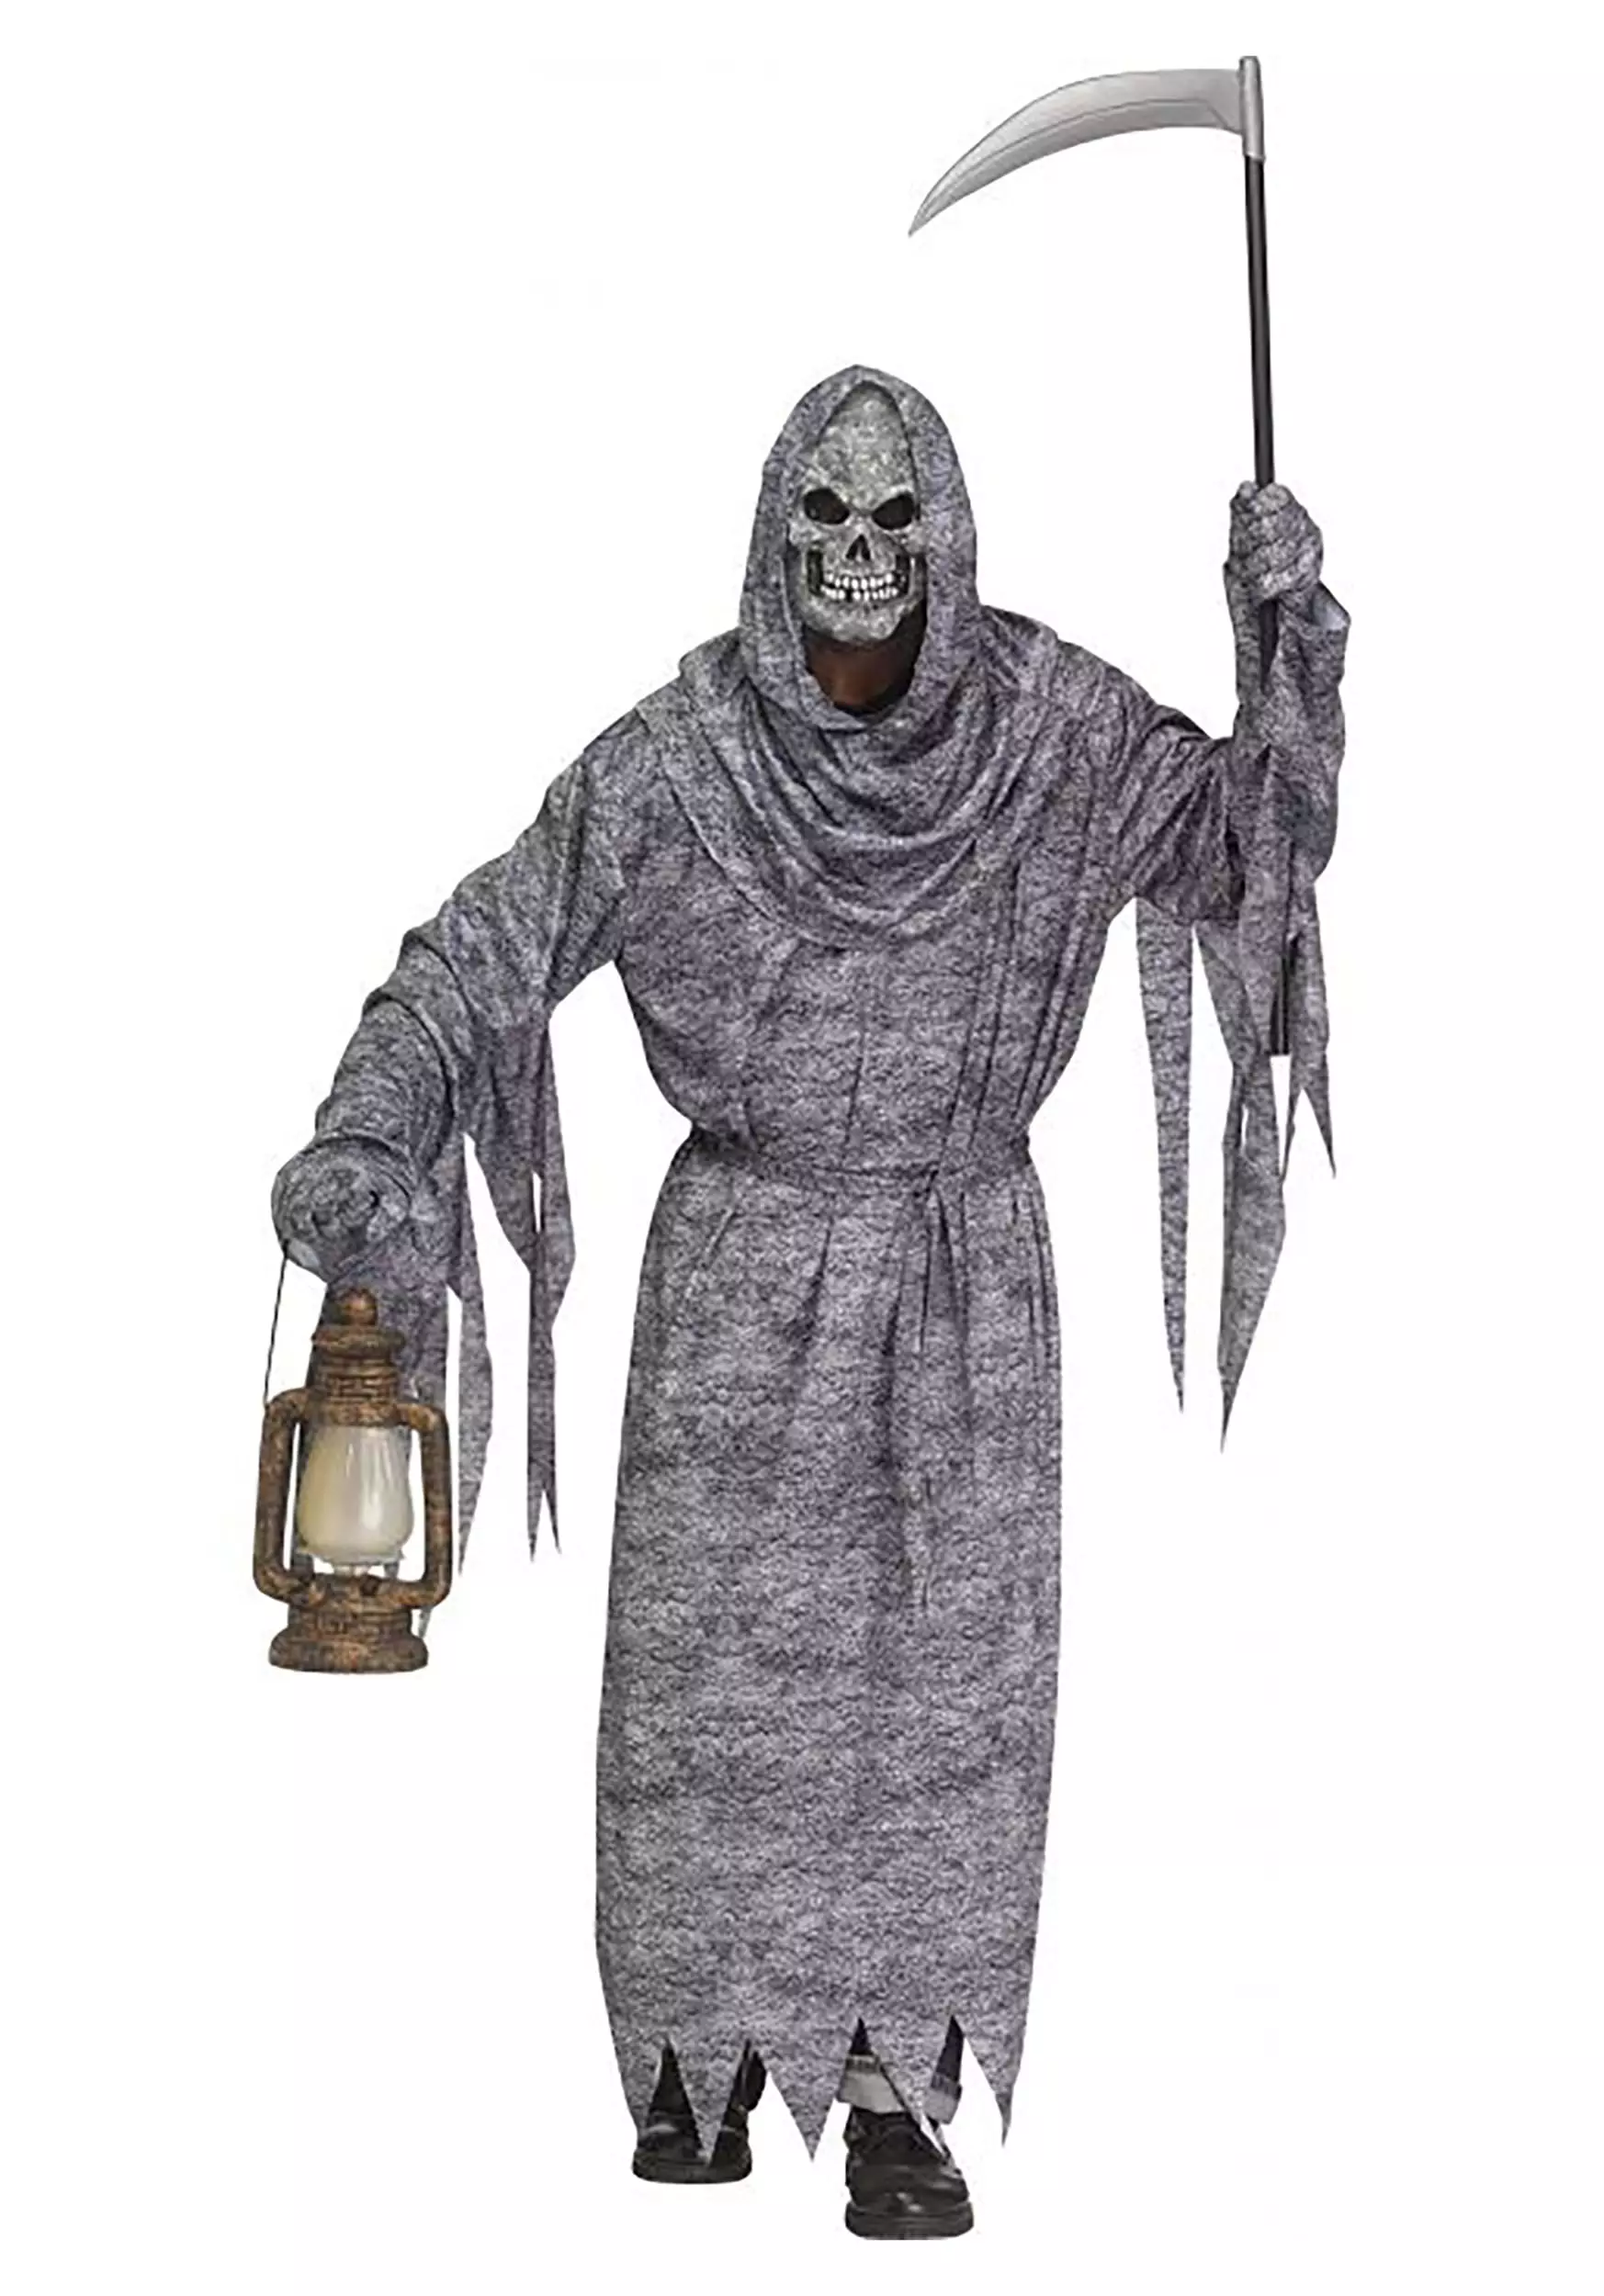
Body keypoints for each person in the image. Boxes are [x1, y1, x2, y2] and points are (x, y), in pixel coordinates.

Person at [271, 365, 1349, 2241]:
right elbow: (479, 954)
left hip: (963, 1282)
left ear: (946, 538)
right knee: (708, 1694)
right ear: (779, 539)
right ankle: (695, 2068)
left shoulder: (1057, 735)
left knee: (942, 1706)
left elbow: (1252, 852)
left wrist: (1283, 651)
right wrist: (370, 1129)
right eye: (827, 521)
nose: (862, 556)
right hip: (738, 1288)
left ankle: (896, 2096)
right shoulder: (681, 764)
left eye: (893, 521)